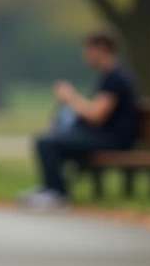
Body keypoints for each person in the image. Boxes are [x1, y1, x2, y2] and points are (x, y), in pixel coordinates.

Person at [18, 30, 140, 210]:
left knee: (46, 143)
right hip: (103, 136)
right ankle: (50, 189)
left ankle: (58, 194)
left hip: (113, 139)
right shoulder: (110, 76)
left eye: (88, 50)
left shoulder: (116, 77)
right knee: (49, 138)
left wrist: (70, 97)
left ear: (101, 49)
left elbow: (97, 115)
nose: (85, 56)